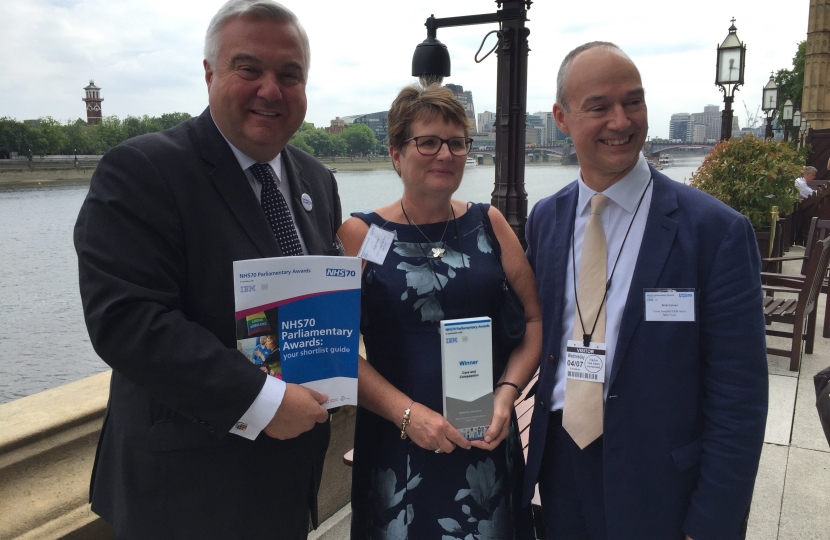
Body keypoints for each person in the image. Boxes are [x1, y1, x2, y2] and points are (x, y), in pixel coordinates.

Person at [73, 1, 342, 538]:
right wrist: (261, 400)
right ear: (209, 73)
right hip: (184, 494)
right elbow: (127, 322)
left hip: (288, 481)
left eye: (290, 75)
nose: (271, 89)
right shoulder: (142, 170)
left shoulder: (315, 179)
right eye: (250, 69)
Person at [522, 42, 768, 540]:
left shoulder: (715, 232)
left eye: (633, 102)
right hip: (560, 471)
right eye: (599, 107)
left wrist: (712, 523)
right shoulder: (546, 219)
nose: (621, 120)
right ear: (562, 119)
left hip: (663, 485)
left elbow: (740, 397)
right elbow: (527, 331)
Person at [337, 84, 542, 539]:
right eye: (427, 141)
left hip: (485, 438)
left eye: (457, 142)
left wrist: (507, 394)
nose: (445, 154)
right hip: (397, 442)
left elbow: (534, 319)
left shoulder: (488, 223)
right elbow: (335, 348)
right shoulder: (358, 234)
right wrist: (407, 414)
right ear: (395, 152)